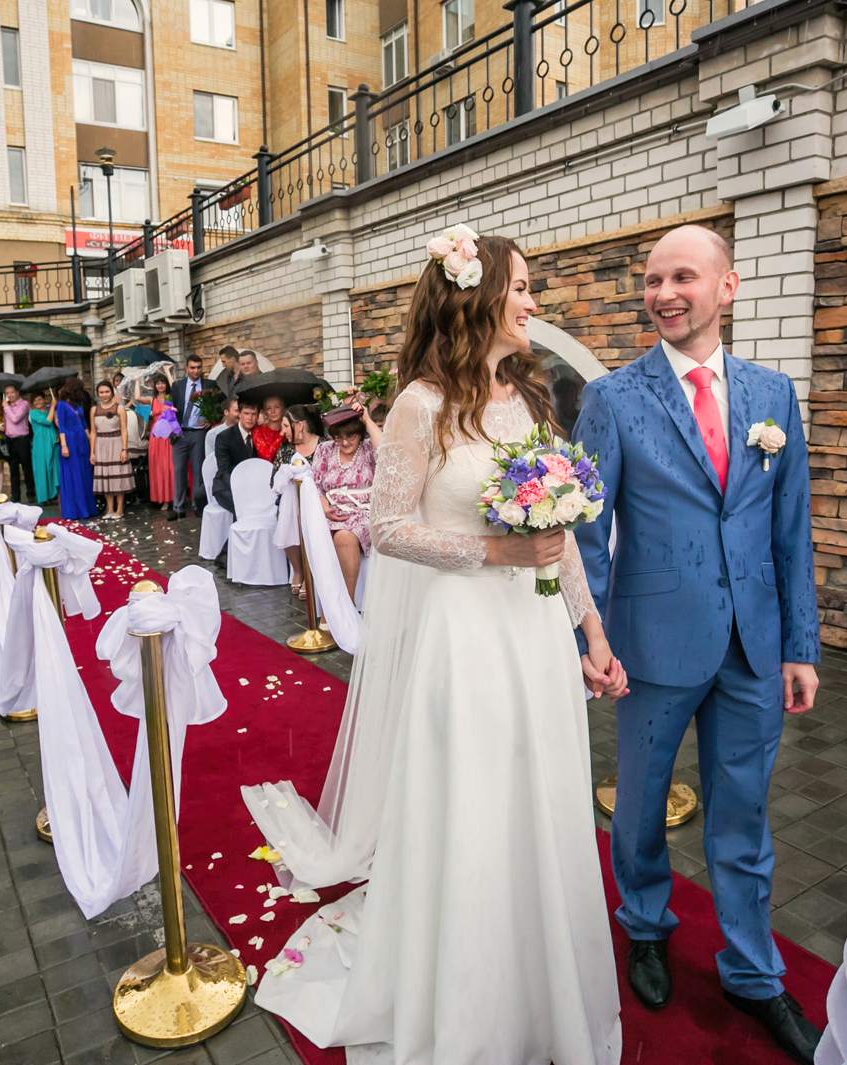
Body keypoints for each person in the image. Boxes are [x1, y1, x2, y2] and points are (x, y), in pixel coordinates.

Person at [242, 230, 625, 1064]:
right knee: (474, 802)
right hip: (464, 635)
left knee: (538, 797)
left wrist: (592, 632)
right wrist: (494, 551)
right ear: (476, 298)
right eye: (520, 288)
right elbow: (387, 527)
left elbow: (557, 536)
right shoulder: (420, 404)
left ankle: (539, 981)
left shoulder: (529, 400)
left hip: (534, 630)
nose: (532, 303)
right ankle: (465, 994)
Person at [571, 224, 822, 1064]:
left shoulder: (773, 394)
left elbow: (791, 528)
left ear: (727, 286)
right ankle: (645, 924)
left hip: (754, 645)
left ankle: (752, 972)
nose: (664, 293)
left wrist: (800, 644)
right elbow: (586, 531)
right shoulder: (612, 397)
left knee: (744, 814)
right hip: (649, 643)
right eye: (652, 280)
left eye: (682, 276)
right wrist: (589, 636)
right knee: (640, 803)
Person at [313, 401, 383, 605]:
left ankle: (346, 605)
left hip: (363, 513)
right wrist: (324, 508)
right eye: (339, 437)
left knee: (344, 536)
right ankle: (328, 607)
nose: (344, 442)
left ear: (360, 434)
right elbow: (315, 485)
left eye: (350, 436)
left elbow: (387, 452)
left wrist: (367, 419)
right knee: (317, 534)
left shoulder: (368, 448)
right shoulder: (325, 449)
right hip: (330, 511)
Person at [273, 404, 323, 599]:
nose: (282, 432)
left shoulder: (324, 446)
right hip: (291, 502)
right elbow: (273, 480)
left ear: (300, 425)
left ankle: (312, 574)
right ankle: (298, 569)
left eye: (286, 426)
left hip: (319, 501)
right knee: (288, 517)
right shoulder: (285, 450)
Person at [168, 355, 211, 520]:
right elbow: (169, 407)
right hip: (179, 433)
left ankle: (197, 505)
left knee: (198, 470)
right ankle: (178, 507)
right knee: (179, 470)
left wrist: (212, 419)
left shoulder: (209, 385)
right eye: (192, 367)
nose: (196, 371)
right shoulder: (177, 386)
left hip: (199, 433)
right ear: (186, 368)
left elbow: (222, 405)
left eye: (199, 367)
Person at [55, 379, 97, 519]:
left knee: (84, 474)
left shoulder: (77, 405)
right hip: (70, 442)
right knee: (73, 476)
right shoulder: (61, 405)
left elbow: (84, 425)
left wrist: (91, 441)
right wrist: (64, 445)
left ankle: (87, 508)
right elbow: (62, 426)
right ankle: (75, 510)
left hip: (82, 442)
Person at [89, 380, 132, 520]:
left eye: (107, 391)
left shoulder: (119, 408)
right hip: (101, 445)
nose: (104, 395)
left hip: (116, 443)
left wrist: (124, 449)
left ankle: (119, 509)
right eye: (101, 392)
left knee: (117, 476)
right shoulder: (94, 410)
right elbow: (93, 432)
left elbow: (124, 430)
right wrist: (92, 452)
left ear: (112, 392)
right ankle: (110, 509)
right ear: (97, 394)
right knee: (106, 476)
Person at [212, 397, 260, 518]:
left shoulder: (260, 434)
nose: (250, 418)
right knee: (244, 506)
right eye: (246, 413)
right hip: (227, 486)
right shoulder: (224, 437)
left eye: (253, 414)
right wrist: (244, 488)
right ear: (239, 414)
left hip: (255, 486)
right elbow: (224, 470)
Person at [146, 373, 176, 509]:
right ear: (155, 385)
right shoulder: (152, 399)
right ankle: (162, 498)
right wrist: (136, 379)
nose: (160, 385)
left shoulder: (171, 397)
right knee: (157, 466)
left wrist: (168, 372)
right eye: (158, 383)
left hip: (168, 435)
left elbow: (175, 386)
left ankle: (172, 498)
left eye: (163, 383)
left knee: (169, 466)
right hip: (156, 436)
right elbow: (136, 397)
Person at [1, 384, 34, 503]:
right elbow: (7, 422)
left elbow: (15, 419)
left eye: (12, 392)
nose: (9, 395)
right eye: (7, 393)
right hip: (9, 440)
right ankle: (15, 496)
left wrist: (6, 407)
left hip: (22, 440)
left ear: (17, 392)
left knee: (27, 468)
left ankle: (31, 494)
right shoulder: (6, 407)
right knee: (13, 470)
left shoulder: (24, 404)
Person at [29, 390, 62, 504]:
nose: (37, 402)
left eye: (39, 399)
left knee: (53, 468)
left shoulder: (49, 411)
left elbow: (55, 423)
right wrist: (52, 406)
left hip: (52, 442)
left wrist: (54, 408)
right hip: (40, 444)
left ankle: (53, 495)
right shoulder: (33, 413)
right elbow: (47, 421)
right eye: (35, 400)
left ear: (44, 399)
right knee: (42, 470)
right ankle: (43, 498)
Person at [252, 395, 285, 461]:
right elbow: (267, 457)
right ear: (265, 412)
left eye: (277, 407)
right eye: (269, 408)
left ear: (283, 409)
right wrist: (281, 435)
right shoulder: (258, 431)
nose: (273, 411)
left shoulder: (289, 430)